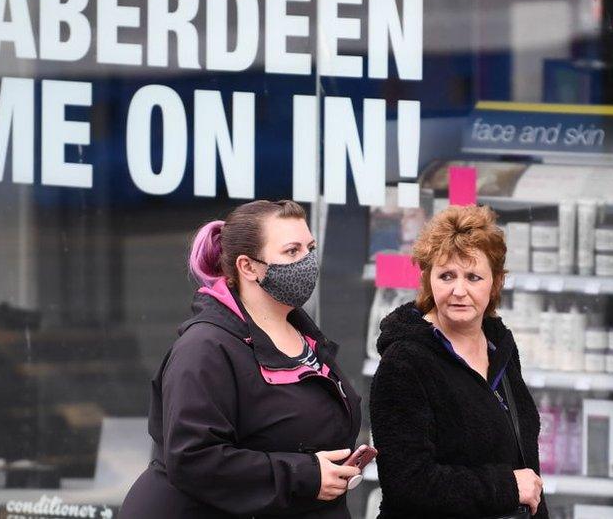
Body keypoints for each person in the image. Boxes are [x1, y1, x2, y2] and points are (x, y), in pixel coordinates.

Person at [120, 199, 363, 519]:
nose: (307, 262)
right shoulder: (204, 348)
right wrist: (304, 475)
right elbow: (194, 458)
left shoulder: (302, 334)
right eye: (292, 251)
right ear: (248, 267)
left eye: (310, 248)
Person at [369, 205, 548, 518]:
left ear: (496, 283)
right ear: (427, 279)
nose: (459, 291)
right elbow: (407, 483)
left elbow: (526, 466)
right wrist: (506, 487)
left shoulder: (500, 348)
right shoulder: (404, 361)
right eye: (446, 275)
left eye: (473, 277)